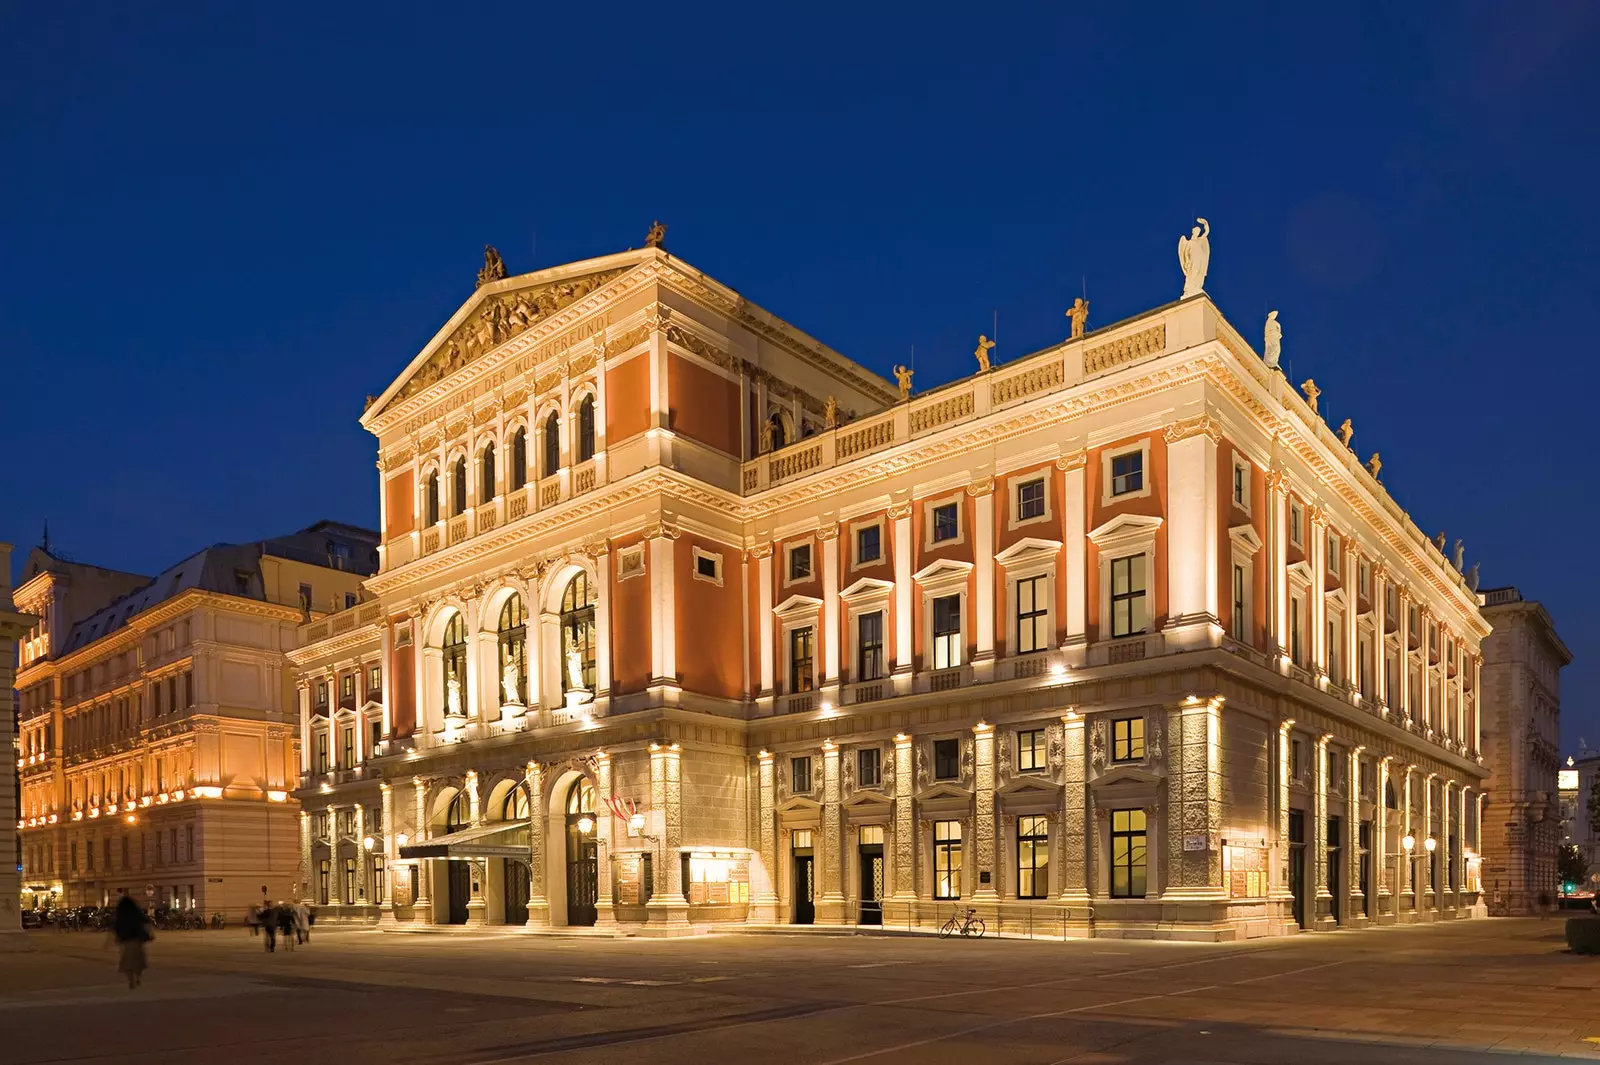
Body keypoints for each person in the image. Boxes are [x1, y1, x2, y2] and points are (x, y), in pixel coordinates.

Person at [111, 895, 152, 990]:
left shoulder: (120, 914)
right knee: (138, 960)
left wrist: (116, 938)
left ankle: (131, 979)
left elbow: (116, 927)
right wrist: (148, 935)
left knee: (127, 962)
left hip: (126, 940)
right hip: (137, 940)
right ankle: (138, 977)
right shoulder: (137, 913)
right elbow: (146, 922)